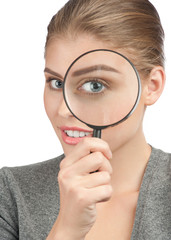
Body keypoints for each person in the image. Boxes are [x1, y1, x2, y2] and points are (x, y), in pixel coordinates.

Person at [0, 0, 170, 239]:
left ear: (152, 86)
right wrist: (66, 229)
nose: (63, 109)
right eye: (56, 83)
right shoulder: (11, 193)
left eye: (94, 85)